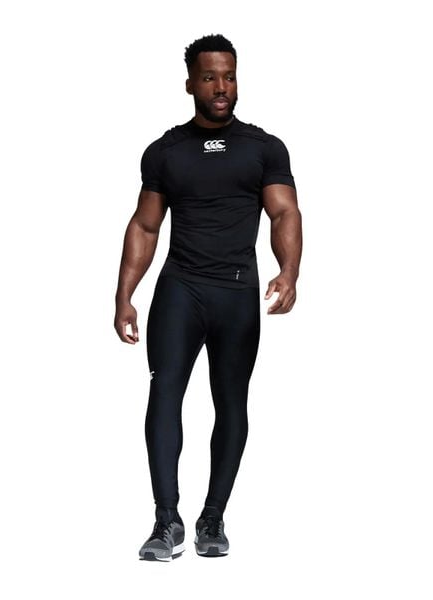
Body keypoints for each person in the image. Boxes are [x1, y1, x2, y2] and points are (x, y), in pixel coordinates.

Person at [114, 33, 302, 561]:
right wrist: (124, 295)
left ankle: (213, 518)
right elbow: (145, 226)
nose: (222, 87)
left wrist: (289, 271)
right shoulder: (165, 151)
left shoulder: (264, 148)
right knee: (164, 394)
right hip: (181, 289)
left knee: (231, 402)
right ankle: (165, 520)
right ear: (190, 84)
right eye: (210, 77)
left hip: (237, 294)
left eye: (229, 76)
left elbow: (284, 212)